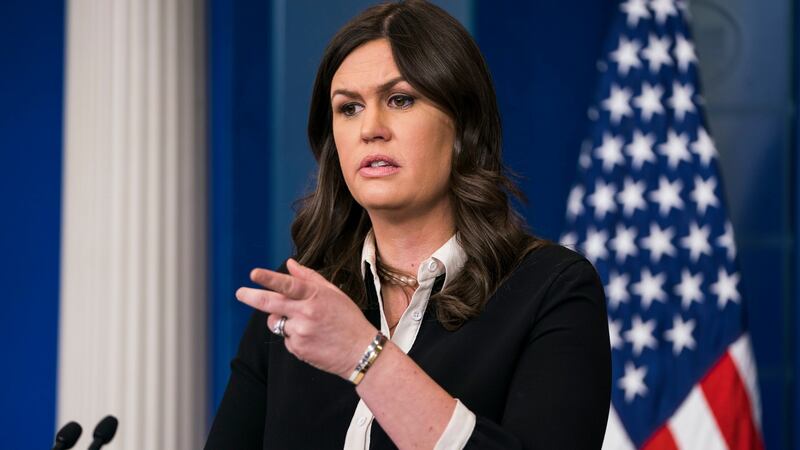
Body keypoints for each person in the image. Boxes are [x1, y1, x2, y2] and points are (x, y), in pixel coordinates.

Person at [205, 1, 611, 448]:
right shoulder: (300, 300)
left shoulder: (552, 289)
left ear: (463, 127)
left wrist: (366, 357)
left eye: (400, 99)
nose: (370, 128)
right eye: (349, 108)